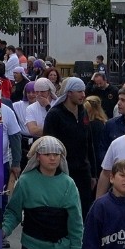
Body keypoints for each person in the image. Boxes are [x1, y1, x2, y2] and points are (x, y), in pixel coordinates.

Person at [41, 76, 95, 213]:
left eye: (84, 91)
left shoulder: (83, 112)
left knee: (82, 210)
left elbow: (89, 143)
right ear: (69, 93)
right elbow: (48, 146)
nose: (83, 95)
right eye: (79, 91)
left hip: (83, 172)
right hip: (62, 172)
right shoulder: (55, 115)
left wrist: (93, 173)